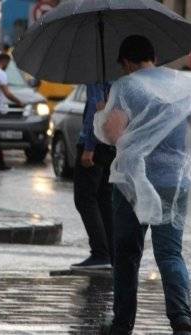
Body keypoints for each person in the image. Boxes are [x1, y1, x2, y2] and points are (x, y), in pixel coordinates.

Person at [95, 35, 191, 335]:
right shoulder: (181, 85)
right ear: (152, 56)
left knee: (127, 254)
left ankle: (122, 322)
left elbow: (115, 135)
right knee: (170, 254)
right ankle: (181, 319)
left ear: (127, 62)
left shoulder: (126, 86)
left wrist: (104, 114)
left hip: (133, 185)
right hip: (174, 182)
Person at [70, 82, 115, 270]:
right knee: (104, 198)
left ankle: (100, 253)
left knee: (85, 198)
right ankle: (111, 253)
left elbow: (96, 112)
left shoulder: (96, 76)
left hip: (95, 143)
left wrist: (89, 147)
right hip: (111, 143)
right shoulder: (119, 77)